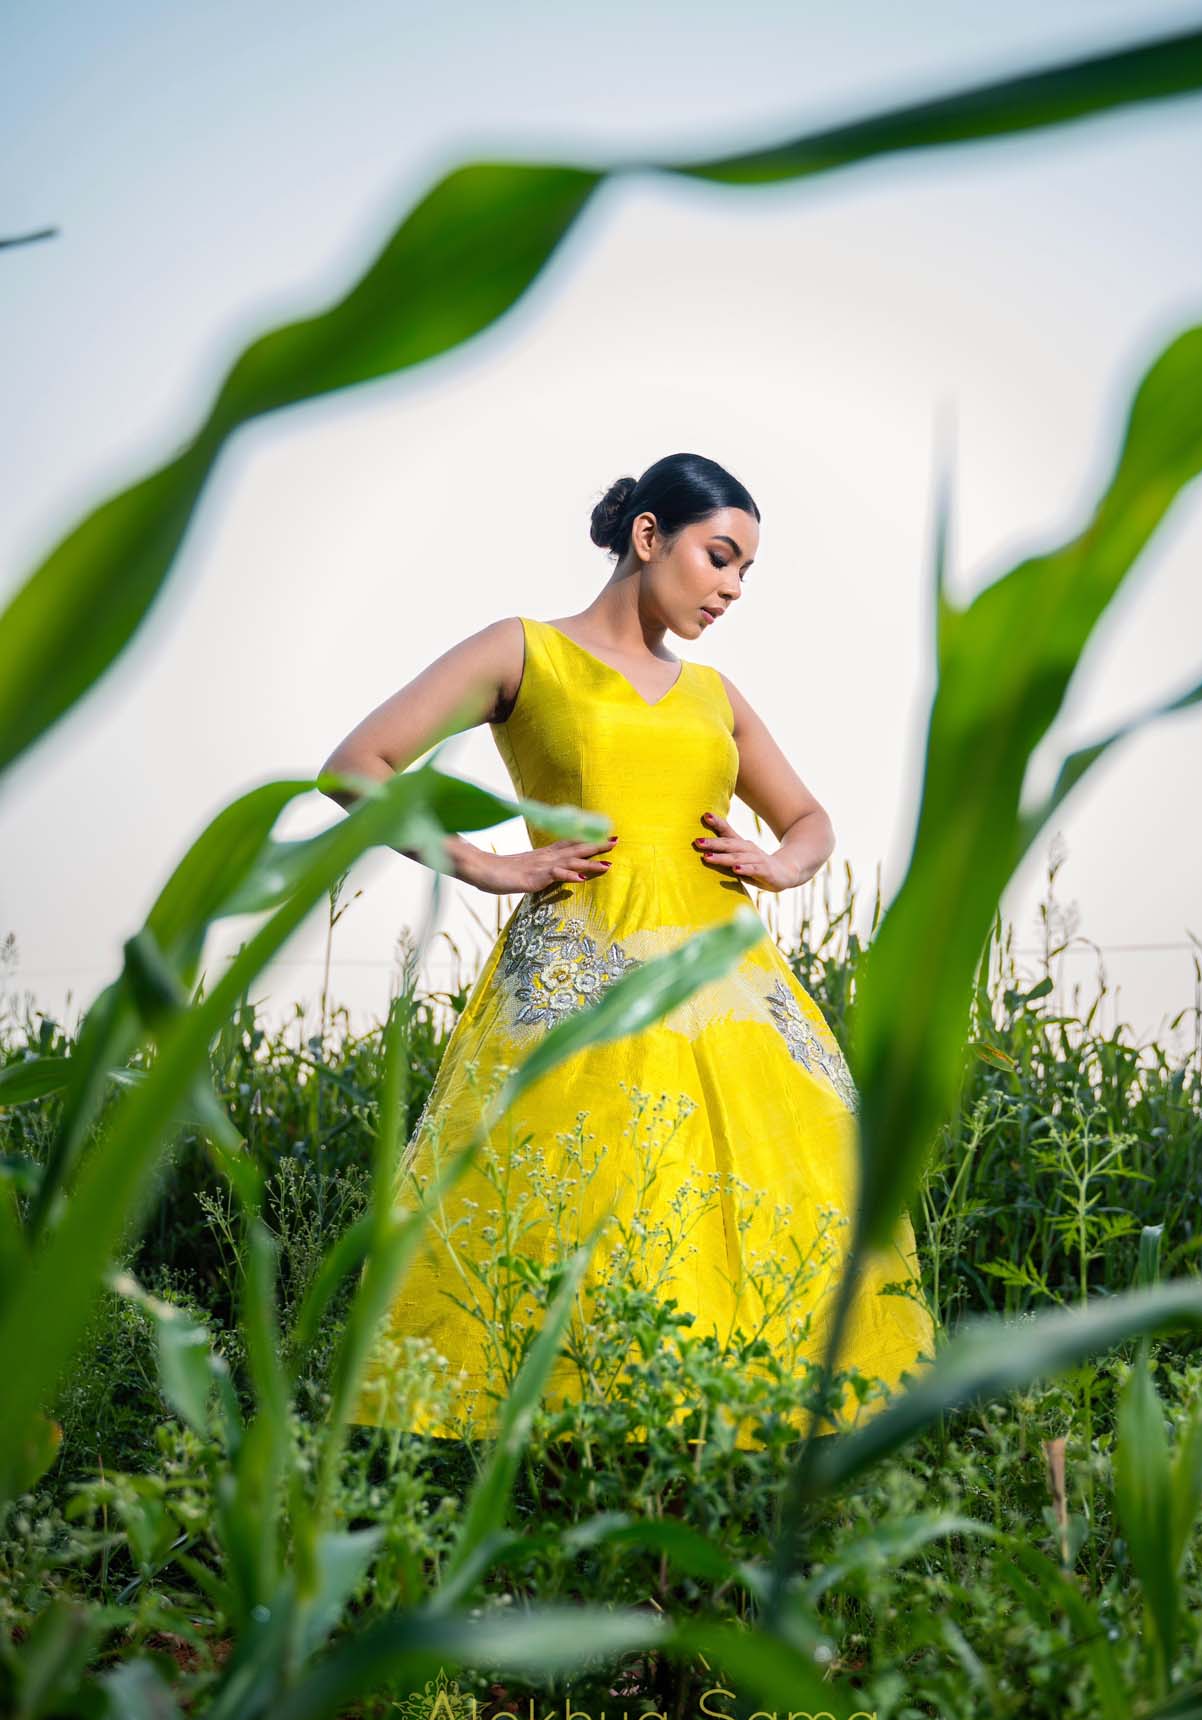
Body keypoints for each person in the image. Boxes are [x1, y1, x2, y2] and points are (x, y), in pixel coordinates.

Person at [319, 451, 933, 1449]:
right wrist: (477, 863)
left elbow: (811, 818)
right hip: (581, 971)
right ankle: (568, 1449)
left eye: (744, 572)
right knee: (587, 1192)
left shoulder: (715, 694)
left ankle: (720, 1432)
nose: (731, 589)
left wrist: (781, 864)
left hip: (724, 980)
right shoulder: (524, 651)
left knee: (763, 1190)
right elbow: (354, 767)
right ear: (648, 536)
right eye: (717, 558)